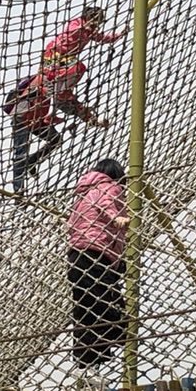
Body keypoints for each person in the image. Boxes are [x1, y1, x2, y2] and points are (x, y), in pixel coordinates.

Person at [6, 6, 118, 189]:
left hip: (37, 120)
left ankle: (32, 162)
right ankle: (18, 190)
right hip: (23, 117)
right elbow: (61, 44)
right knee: (20, 152)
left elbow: (71, 105)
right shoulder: (46, 79)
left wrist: (94, 120)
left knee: (55, 140)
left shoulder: (59, 90)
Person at [66, 158, 129, 369]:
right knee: (106, 299)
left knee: (84, 307)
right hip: (98, 252)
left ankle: (86, 357)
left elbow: (72, 223)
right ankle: (117, 331)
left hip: (76, 254)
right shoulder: (111, 187)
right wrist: (117, 218)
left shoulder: (81, 193)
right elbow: (106, 203)